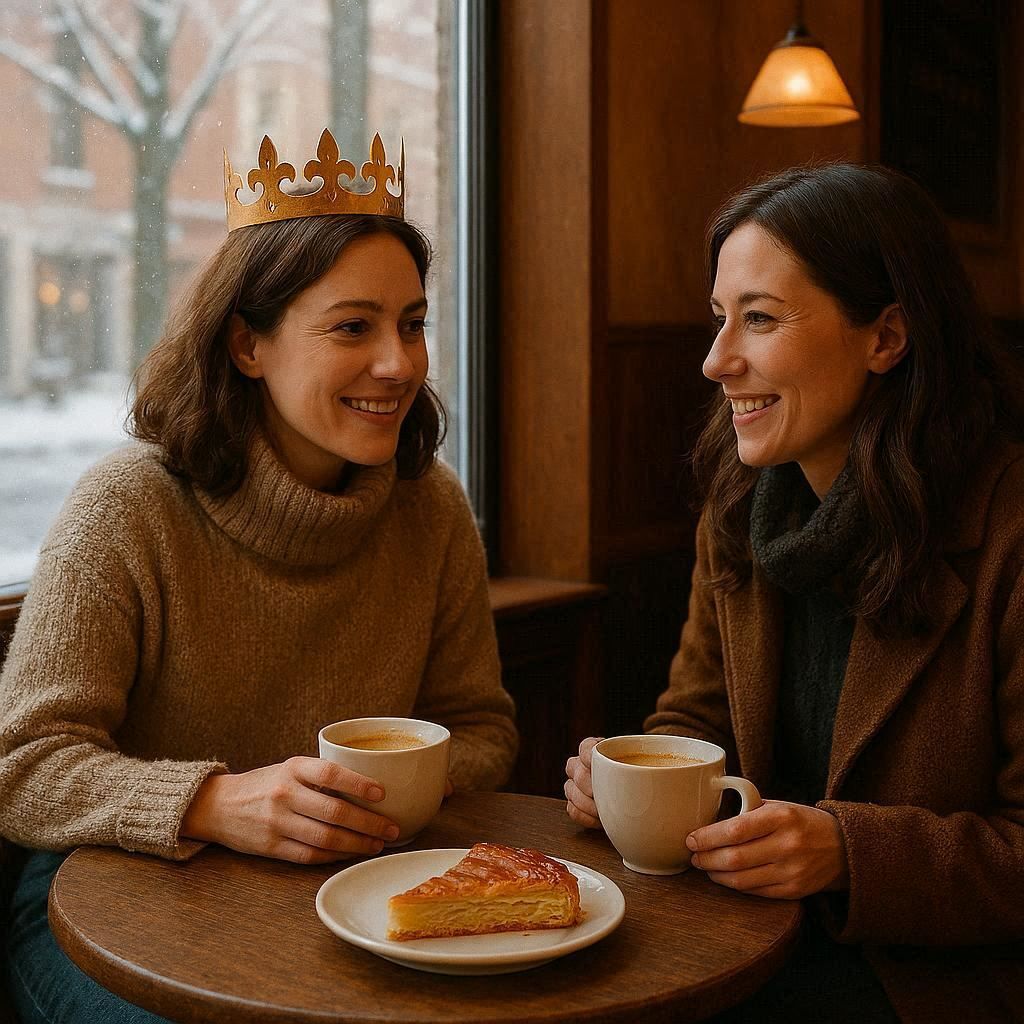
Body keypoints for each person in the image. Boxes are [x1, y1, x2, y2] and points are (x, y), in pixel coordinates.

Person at [0, 129, 517, 1024]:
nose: (399, 364)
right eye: (353, 327)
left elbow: (481, 729)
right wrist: (212, 803)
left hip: (344, 899)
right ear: (248, 345)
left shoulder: (429, 508)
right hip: (105, 907)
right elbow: (23, 767)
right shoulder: (127, 507)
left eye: (413, 324)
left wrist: (371, 798)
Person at [565, 163, 1024, 1023]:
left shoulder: (1008, 532)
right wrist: (631, 779)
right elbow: (695, 720)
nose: (715, 361)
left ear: (886, 337)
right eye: (719, 318)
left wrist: (851, 853)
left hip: (930, 981)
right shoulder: (740, 509)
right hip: (741, 935)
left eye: (761, 318)